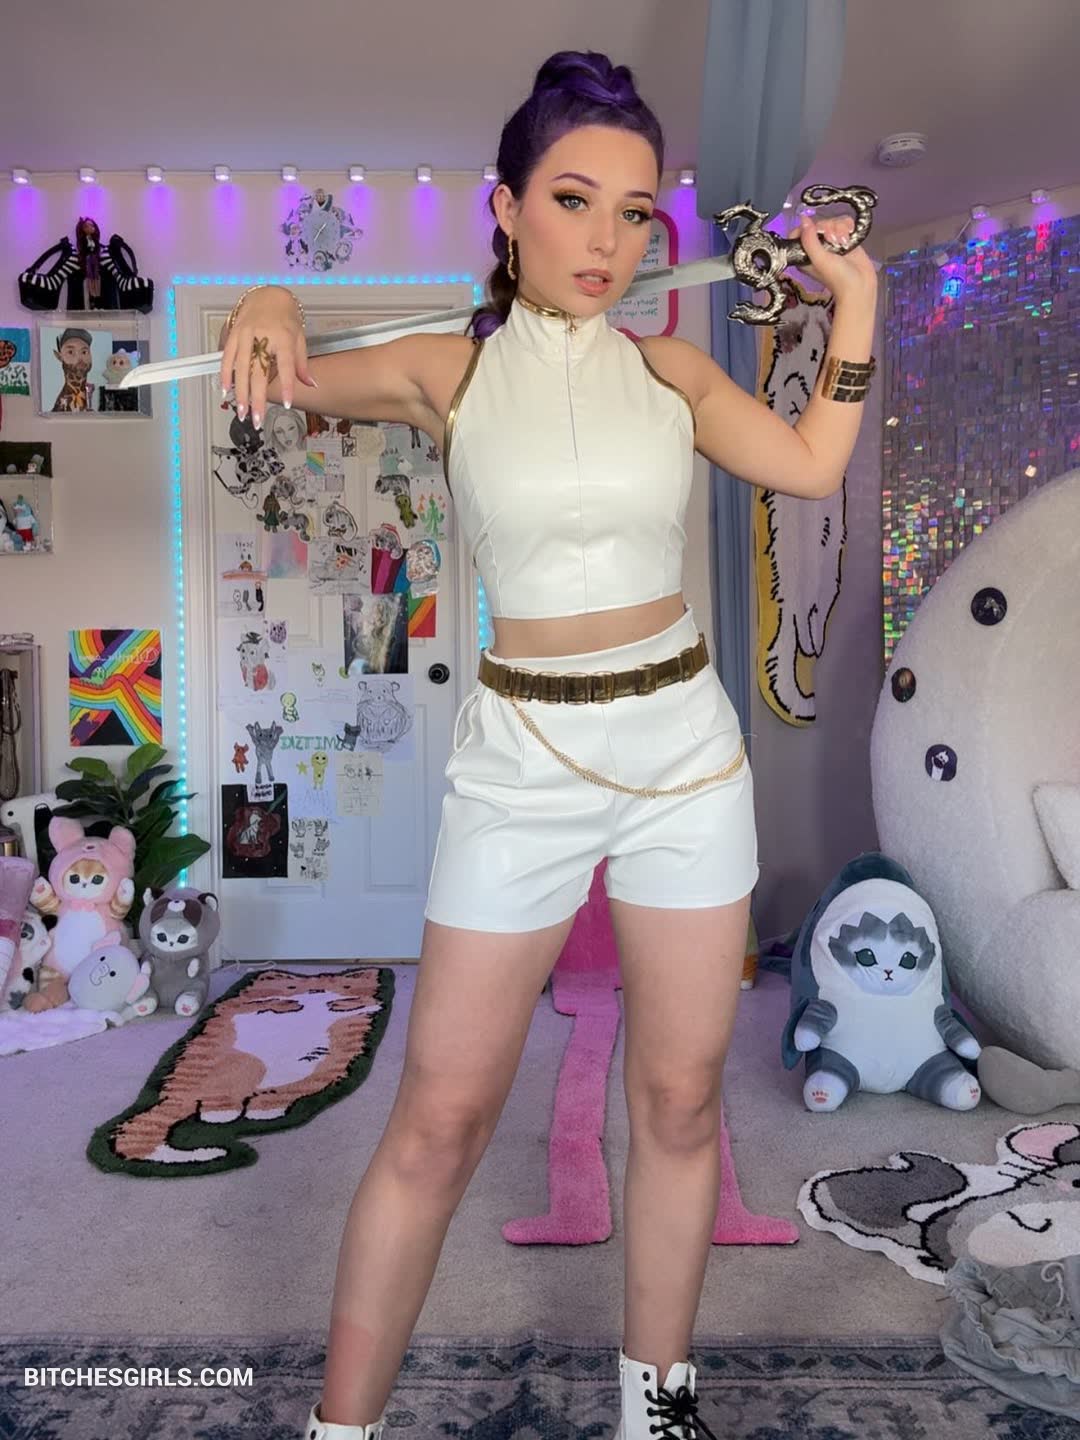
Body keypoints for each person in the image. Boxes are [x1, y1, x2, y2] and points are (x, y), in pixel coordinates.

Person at [217, 49, 877, 1440]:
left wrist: (858, 305)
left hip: (684, 760)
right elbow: (285, 377)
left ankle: (656, 1413)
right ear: (507, 207)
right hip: (520, 765)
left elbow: (813, 463)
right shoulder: (445, 371)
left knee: (681, 1102)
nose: (607, 240)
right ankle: (343, 1431)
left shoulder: (671, 369)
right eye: (574, 200)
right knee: (440, 1120)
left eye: (635, 213)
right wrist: (269, 301)